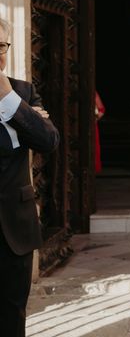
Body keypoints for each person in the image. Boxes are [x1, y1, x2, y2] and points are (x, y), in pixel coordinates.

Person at [0, 17, 59, 337]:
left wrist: (10, 102)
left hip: (14, 231)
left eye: (1, 46)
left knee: (12, 317)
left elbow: (48, 140)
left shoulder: (22, 91)